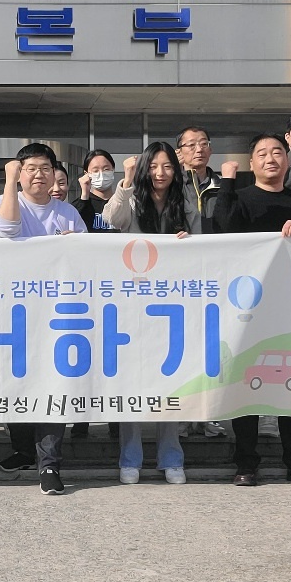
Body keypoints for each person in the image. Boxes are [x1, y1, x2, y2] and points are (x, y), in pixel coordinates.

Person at [213, 133, 291, 487]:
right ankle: (246, 464)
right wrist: (228, 183)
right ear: (252, 164)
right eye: (262, 153)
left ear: (286, 160)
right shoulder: (240, 199)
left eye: (277, 152)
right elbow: (222, 227)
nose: (270, 158)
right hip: (246, 309)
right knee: (246, 387)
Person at [0, 143, 89, 496]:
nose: (39, 175)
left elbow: (84, 260)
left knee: (53, 385)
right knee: (16, 384)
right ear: (19, 172)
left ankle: (49, 464)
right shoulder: (3, 202)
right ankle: (24, 450)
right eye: (30, 168)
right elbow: (7, 230)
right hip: (15, 315)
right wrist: (9, 181)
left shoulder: (68, 213)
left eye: (45, 168)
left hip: (58, 317)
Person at [101, 142, 197, 485]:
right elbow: (110, 219)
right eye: (153, 166)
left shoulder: (185, 200)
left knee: (169, 382)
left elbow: (201, 242)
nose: (160, 173)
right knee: (132, 383)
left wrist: (189, 240)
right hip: (132, 306)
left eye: (167, 166)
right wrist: (126, 180)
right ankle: (130, 459)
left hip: (172, 306)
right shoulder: (133, 197)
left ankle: (172, 458)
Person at [176, 125, 219, 227]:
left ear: (210, 150)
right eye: (191, 145)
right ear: (179, 152)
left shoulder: (221, 185)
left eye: (204, 144)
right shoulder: (173, 185)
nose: (199, 149)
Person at [71, 149, 120, 233]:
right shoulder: (79, 204)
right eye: (95, 171)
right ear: (86, 173)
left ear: (113, 169)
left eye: (106, 169)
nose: (101, 174)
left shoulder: (122, 202)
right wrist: (84, 195)